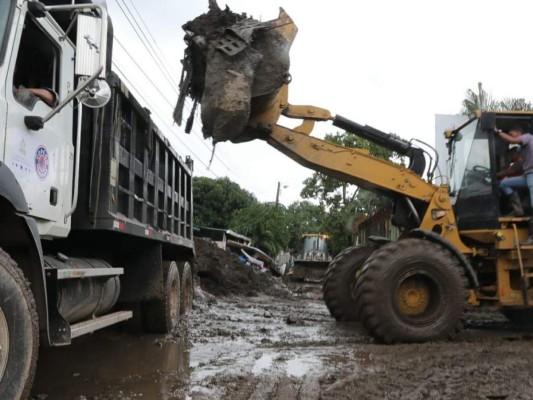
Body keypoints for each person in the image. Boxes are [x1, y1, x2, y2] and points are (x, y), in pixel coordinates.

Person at [495, 126, 533, 243]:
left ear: (519, 132)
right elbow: (517, 161)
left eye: (512, 134)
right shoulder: (523, 148)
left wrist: (498, 132)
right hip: (527, 176)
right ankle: (518, 210)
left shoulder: (528, 137)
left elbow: (512, 141)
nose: (511, 138)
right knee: (504, 184)